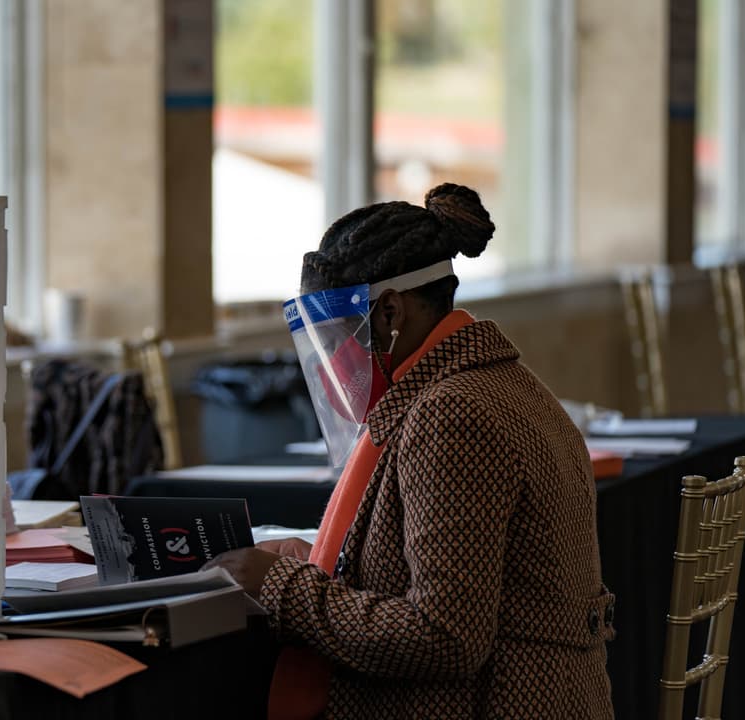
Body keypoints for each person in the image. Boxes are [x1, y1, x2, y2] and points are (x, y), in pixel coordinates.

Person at [205, 183, 615, 719]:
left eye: (336, 337)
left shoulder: (451, 414)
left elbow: (445, 636)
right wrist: (327, 564)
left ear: (390, 313)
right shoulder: (497, 383)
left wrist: (280, 586)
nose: (334, 359)